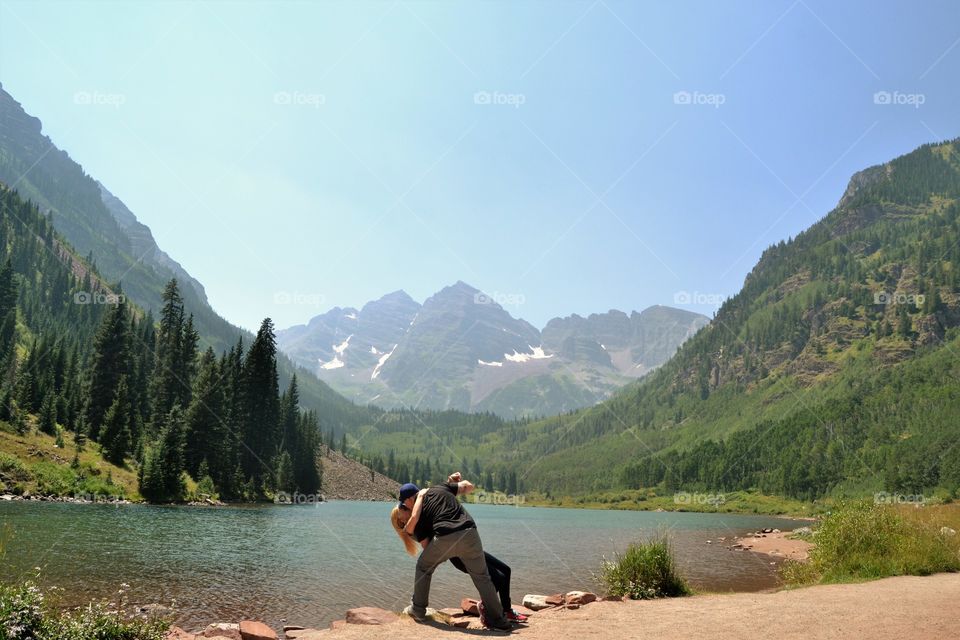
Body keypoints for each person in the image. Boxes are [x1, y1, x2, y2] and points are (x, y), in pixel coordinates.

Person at [390, 474, 528, 624]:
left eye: (403, 504)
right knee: (483, 577)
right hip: (470, 532)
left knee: (424, 567)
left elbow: (426, 546)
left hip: (447, 538)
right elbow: (469, 486)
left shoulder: (418, 519)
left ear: (410, 500)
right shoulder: (439, 488)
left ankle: (418, 610)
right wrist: (452, 483)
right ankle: (499, 620)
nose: (404, 506)